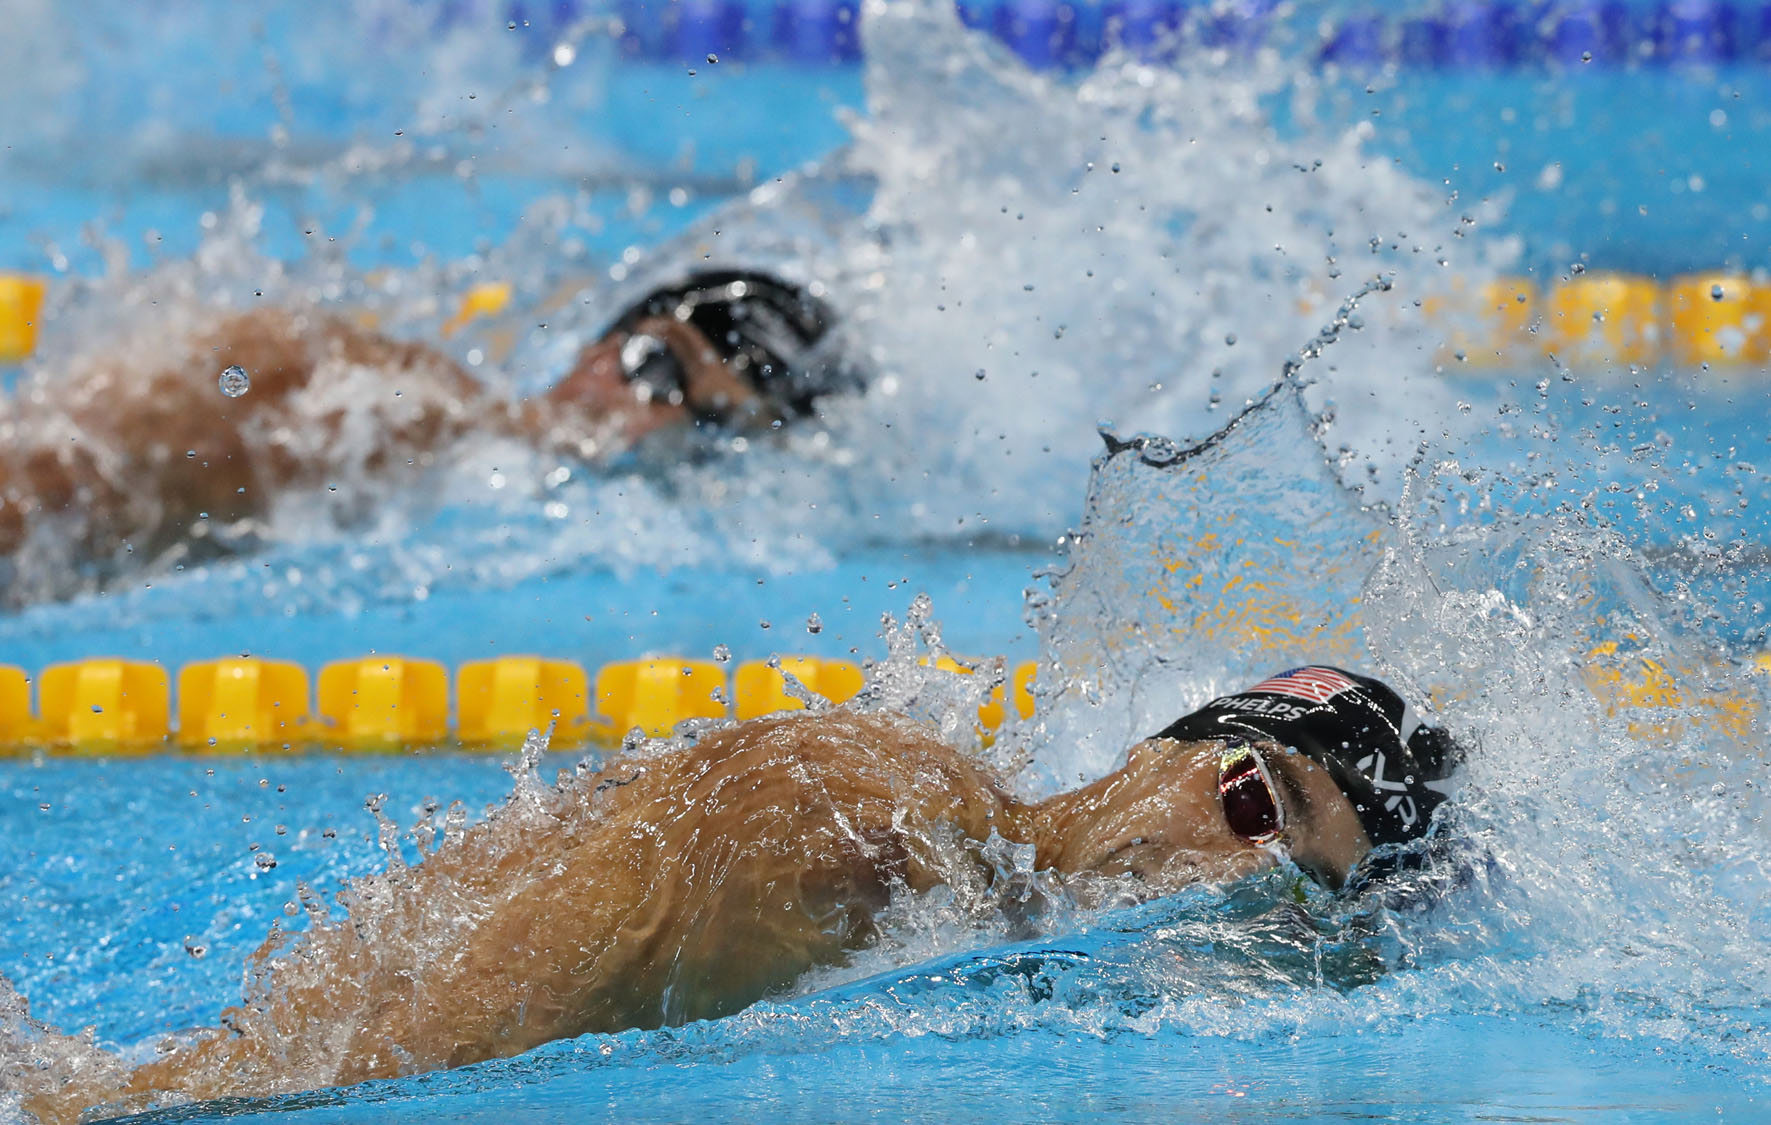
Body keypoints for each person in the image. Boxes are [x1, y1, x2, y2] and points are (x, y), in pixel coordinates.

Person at [19, 665, 1460, 1123]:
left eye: (1276, 885)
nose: (1211, 869)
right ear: (1163, 749)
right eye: (1246, 798)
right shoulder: (861, 834)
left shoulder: (956, 892)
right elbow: (390, 1077)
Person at [0, 269, 858, 597]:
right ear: (598, 345)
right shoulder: (417, 407)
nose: (651, 415)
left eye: (703, 419)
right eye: (654, 366)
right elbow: (223, 374)